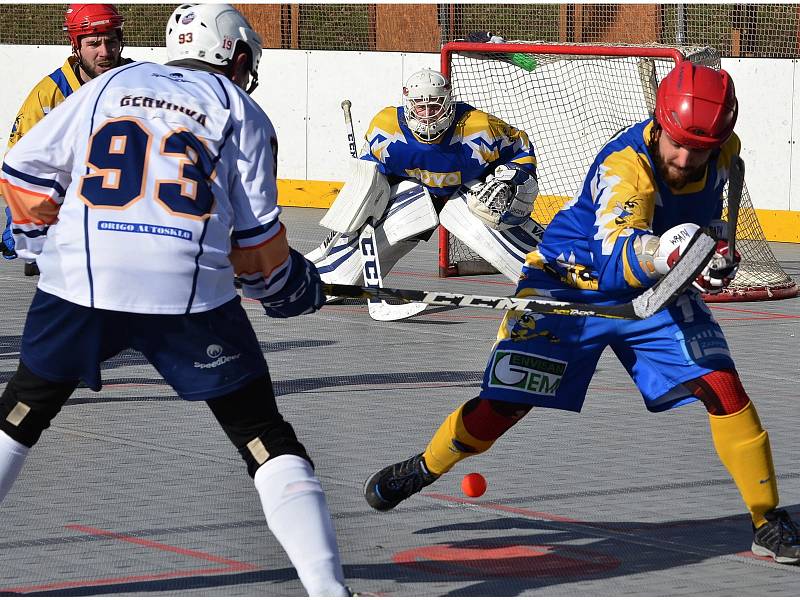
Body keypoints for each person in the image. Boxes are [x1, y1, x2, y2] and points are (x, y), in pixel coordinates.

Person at [363, 61, 800, 564]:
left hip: (655, 288)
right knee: (504, 407)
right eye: (677, 142)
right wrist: (671, 253)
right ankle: (425, 466)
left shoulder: (724, 150)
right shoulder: (624, 166)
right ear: (659, 121)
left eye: (699, 148)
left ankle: (767, 519)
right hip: (567, 283)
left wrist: (715, 245)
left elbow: (719, 188)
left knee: (722, 386)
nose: (685, 157)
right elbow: (617, 253)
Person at [0, 4, 352, 596]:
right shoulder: (241, 108)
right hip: (184, 290)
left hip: (81, 280)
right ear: (237, 54)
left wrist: (45, 246)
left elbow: (23, 172)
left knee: (19, 415)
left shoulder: (108, 84)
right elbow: (257, 243)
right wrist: (296, 289)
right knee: (263, 435)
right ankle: (327, 589)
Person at [306, 67, 543, 296]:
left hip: (468, 194)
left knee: (487, 206)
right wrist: (365, 198)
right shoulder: (386, 128)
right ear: (409, 105)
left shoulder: (479, 127)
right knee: (352, 265)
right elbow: (373, 172)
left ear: (448, 104)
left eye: (435, 107)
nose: (428, 114)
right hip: (412, 194)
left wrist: (511, 180)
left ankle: (548, 276)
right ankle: (325, 274)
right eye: (421, 107)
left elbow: (520, 148)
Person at [0, 3, 132, 275]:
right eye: (94, 43)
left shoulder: (142, 82)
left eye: (111, 41)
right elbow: (18, 162)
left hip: (128, 217)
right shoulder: (47, 95)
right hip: (67, 222)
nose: (105, 52)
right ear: (75, 45)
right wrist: (19, 219)